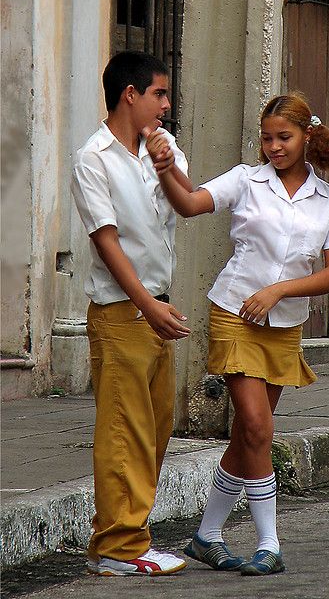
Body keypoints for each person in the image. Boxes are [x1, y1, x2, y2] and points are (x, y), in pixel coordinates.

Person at [147, 91, 329, 576]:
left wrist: (280, 289)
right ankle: (269, 543)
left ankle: (206, 536)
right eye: (266, 138)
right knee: (259, 428)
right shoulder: (246, 180)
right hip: (236, 313)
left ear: (308, 136)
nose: (273, 147)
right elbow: (192, 202)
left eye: (283, 137)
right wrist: (165, 169)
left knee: (247, 436)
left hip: (283, 325)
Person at [71, 50, 192, 577]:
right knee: (126, 430)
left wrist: (166, 167)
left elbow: (187, 201)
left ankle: (118, 537)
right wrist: (148, 307)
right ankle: (121, 547)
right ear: (131, 94)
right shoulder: (92, 159)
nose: (165, 106)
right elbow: (108, 242)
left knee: (156, 427)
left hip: (156, 307)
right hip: (123, 311)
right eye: (160, 94)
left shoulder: (162, 150)